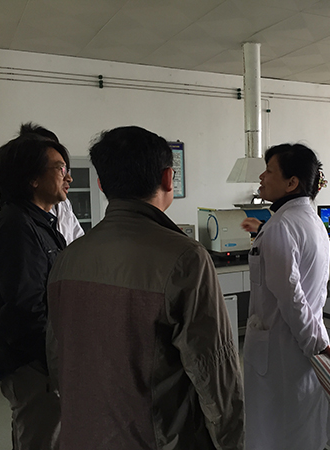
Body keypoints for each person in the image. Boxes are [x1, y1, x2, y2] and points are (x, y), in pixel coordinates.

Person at [46, 126, 245, 450]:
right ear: (168, 178)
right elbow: (213, 371)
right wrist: (231, 443)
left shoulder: (68, 258)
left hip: (84, 435)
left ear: (101, 184)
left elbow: (58, 359)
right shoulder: (185, 258)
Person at [240, 143, 330, 450]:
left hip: (282, 350)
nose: (261, 177)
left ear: (292, 182)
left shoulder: (281, 226)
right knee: (303, 428)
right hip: (303, 342)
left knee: (276, 432)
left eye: (269, 171)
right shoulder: (310, 220)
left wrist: (315, 347)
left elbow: (291, 297)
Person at [0, 133, 71, 449]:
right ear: (32, 178)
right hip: (32, 365)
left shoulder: (40, 222)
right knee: (42, 437)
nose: (68, 177)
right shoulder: (17, 226)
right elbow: (26, 308)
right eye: (59, 168)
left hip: (37, 360)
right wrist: (53, 363)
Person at [18, 122, 85, 244]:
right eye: (60, 169)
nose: (69, 178)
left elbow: (78, 241)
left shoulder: (64, 204)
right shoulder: (18, 220)